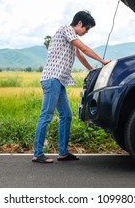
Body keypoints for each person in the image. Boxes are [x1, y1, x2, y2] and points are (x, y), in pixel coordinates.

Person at [32, 10, 111, 163]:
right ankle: (38, 153)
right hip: (52, 79)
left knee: (66, 115)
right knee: (46, 115)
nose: (86, 32)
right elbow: (84, 49)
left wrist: (91, 70)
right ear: (79, 23)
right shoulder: (66, 29)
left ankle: (63, 152)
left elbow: (79, 55)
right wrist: (103, 61)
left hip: (59, 81)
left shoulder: (70, 36)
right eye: (86, 28)